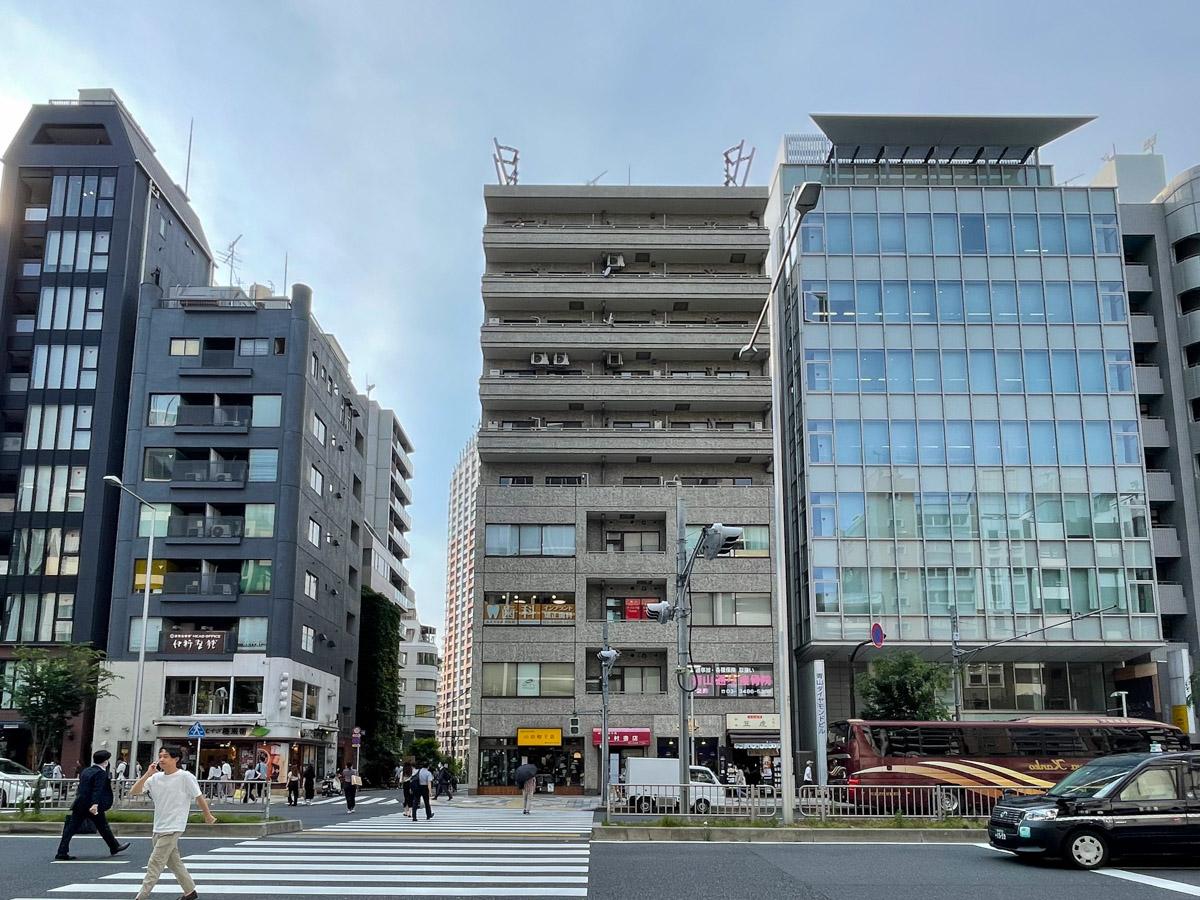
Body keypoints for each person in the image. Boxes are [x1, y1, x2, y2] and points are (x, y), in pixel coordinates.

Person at [129, 746, 216, 900]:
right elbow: (134, 792)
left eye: (166, 756)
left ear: (176, 759)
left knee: (154, 864)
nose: (161, 759)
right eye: (160, 756)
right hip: (159, 826)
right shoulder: (155, 778)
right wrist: (147, 774)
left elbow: (199, 796)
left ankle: (141, 897)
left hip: (174, 826)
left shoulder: (185, 777)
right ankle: (190, 892)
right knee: (173, 862)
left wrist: (207, 815)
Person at [55, 749, 130, 861]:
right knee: (103, 826)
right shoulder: (101, 773)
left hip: (80, 803)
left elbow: (82, 788)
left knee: (71, 828)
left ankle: (62, 852)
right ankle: (114, 846)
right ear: (105, 762)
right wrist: (94, 804)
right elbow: (97, 790)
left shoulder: (86, 771)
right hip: (92, 805)